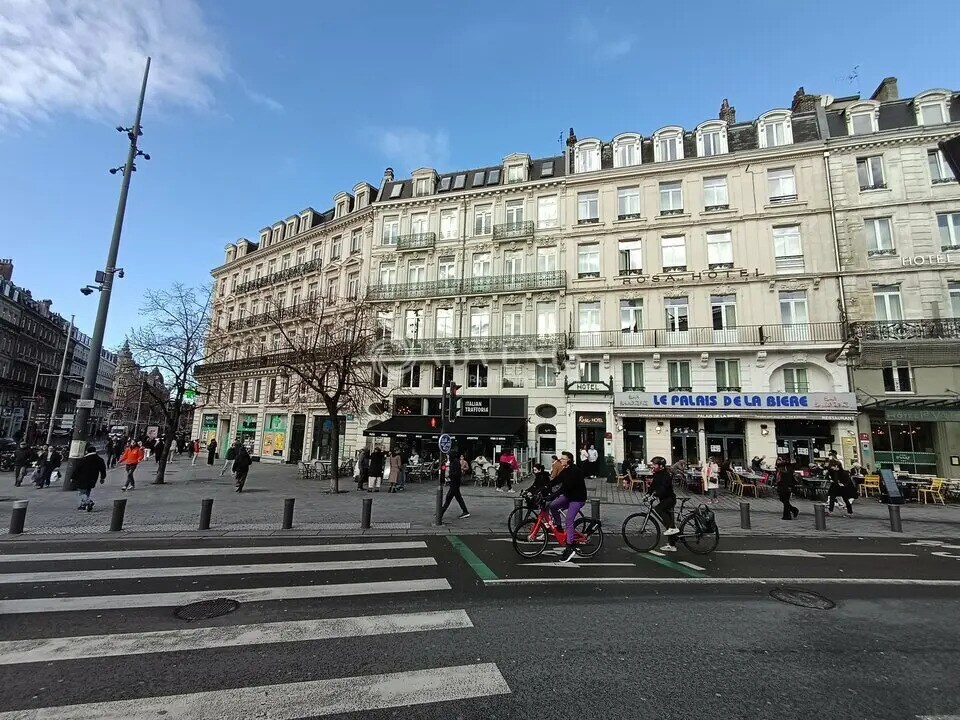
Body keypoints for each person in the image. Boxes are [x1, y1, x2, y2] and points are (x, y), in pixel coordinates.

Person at [550, 451, 588, 563]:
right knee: (553, 506)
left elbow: (564, 488)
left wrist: (552, 495)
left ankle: (570, 547)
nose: (560, 460)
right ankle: (558, 526)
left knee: (569, 520)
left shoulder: (575, 472)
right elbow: (556, 481)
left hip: (577, 499)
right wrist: (543, 489)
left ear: (569, 461)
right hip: (569, 496)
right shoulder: (565, 470)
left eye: (563, 459)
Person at [647, 456, 680, 552]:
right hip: (665, 500)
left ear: (661, 466)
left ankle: (672, 528)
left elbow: (663, 489)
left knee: (658, 509)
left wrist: (655, 495)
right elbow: (654, 485)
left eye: (654, 464)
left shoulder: (666, 475)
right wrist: (647, 494)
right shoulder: (657, 474)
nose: (653, 466)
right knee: (667, 521)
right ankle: (672, 545)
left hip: (669, 499)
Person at [73, 444, 107, 512]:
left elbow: (77, 469)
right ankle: (83, 505)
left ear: (87, 451)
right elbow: (103, 469)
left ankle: (88, 502)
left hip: (82, 478)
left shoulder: (84, 459)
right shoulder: (99, 459)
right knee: (87, 491)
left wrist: (73, 477)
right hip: (93, 478)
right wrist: (102, 478)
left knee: (81, 492)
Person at [439, 451, 470, 522]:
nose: (448, 457)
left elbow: (456, 473)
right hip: (454, 483)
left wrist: (450, 476)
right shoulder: (454, 462)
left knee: (448, 498)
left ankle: (441, 513)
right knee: (458, 498)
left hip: (454, 483)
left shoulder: (455, 462)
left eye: (448, 456)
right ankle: (465, 511)